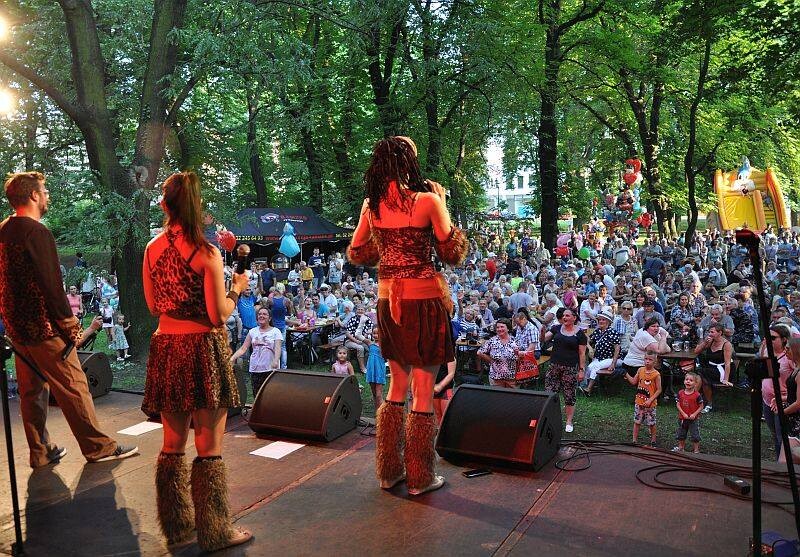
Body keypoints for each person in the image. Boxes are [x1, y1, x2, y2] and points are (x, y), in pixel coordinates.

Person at [348, 135, 466, 496]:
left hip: (388, 301)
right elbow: (451, 252)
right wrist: (443, 203)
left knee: (396, 386)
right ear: (410, 163)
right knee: (423, 390)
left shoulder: (372, 206)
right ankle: (420, 477)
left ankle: (388, 471)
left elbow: (357, 252)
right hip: (424, 300)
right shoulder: (428, 201)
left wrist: (386, 246)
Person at [142, 172, 251, 550]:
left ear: (165, 204)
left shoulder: (151, 250)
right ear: (195, 207)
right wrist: (235, 290)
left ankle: (176, 525)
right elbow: (218, 314)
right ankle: (216, 531)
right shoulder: (206, 253)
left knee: (171, 445)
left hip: (166, 347)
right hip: (201, 350)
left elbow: (154, 306)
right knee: (209, 447)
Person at [0, 171, 138, 469]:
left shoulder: (3, 231)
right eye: (45, 190)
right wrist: (69, 323)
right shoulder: (36, 232)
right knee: (75, 386)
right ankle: (99, 447)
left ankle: (40, 451)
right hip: (45, 328)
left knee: (32, 391)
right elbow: (50, 283)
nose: (47, 195)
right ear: (33, 196)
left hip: (18, 330)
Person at [540, 307, 587, 433]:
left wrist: (581, 370)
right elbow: (544, 339)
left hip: (570, 369)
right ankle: (549, 418)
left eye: (567, 315)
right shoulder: (556, 328)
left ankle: (569, 421)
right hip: (554, 366)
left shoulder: (580, 334)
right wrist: (542, 332)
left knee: (569, 395)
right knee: (550, 393)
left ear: (574, 318)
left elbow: (582, 354)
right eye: (564, 316)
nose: (564, 317)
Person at [229, 307, 282, 396]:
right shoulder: (252, 331)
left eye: (264, 314)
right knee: (257, 395)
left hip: (270, 368)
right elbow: (243, 348)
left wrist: (276, 360)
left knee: (271, 394)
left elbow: (278, 348)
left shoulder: (276, 331)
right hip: (255, 368)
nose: (261, 316)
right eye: (259, 314)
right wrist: (232, 358)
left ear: (270, 318)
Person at [760, 324, 794, 458]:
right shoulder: (768, 351)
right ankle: (778, 462)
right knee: (775, 435)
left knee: (782, 437)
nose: (769, 340)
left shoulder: (789, 357)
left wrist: (786, 397)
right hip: (767, 401)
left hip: (782, 402)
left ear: (784, 339)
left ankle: (784, 467)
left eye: (773, 338)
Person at [692, 323, 733, 413]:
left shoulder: (726, 344)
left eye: (712, 332)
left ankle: (692, 398)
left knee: (701, 373)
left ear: (720, 333)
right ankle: (703, 402)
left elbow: (727, 364)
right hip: (710, 368)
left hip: (721, 369)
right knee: (701, 377)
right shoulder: (710, 341)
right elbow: (696, 351)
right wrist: (705, 342)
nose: (710, 334)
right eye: (709, 332)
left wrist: (726, 379)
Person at [624, 351, 662, 446]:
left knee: (651, 422)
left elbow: (659, 390)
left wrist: (650, 400)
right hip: (639, 402)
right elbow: (633, 382)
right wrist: (625, 374)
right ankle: (634, 440)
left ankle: (653, 440)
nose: (647, 361)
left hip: (650, 404)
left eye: (650, 359)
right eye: (646, 359)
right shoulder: (640, 370)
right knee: (637, 421)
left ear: (655, 361)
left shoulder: (656, 374)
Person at [581, 309, 621, 395]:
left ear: (608, 322)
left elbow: (617, 349)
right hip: (599, 358)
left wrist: (613, 364)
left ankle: (588, 389)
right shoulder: (597, 331)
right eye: (600, 320)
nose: (601, 321)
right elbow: (588, 341)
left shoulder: (613, 332)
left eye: (603, 320)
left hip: (610, 358)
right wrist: (590, 347)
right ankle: (588, 386)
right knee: (590, 368)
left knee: (596, 367)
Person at [477, 318, 521, 388]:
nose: (499, 329)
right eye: (497, 327)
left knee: (513, 397)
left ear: (508, 329)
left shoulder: (515, 341)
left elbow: (521, 357)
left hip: (512, 377)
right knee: (497, 398)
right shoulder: (492, 341)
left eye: (502, 327)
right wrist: (491, 361)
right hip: (496, 376)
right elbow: (479, 352)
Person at [673, 371, 704, 453]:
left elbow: (701, 406)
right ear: (684, 381)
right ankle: (681, 447)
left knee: (695, 434)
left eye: (691, 380)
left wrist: (694, 414)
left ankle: (696, 449)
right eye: (686, 379)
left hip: (693, 419)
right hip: (682, 418)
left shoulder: (697, 395)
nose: (688, 381)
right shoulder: (680, 393)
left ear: (695, 383)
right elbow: (678, 404)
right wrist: (683, 413)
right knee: (681, 433)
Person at [365, 326, 386, 407]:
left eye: (378, 333)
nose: (376, 335)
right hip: (371, 370)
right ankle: (377, 411)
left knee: (378, 395)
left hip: (379, 370)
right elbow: (358, 335)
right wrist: (363, 321)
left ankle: (383, 412)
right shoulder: (370, 343)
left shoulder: (384, 345)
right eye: (374, 333)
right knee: (374, 394)